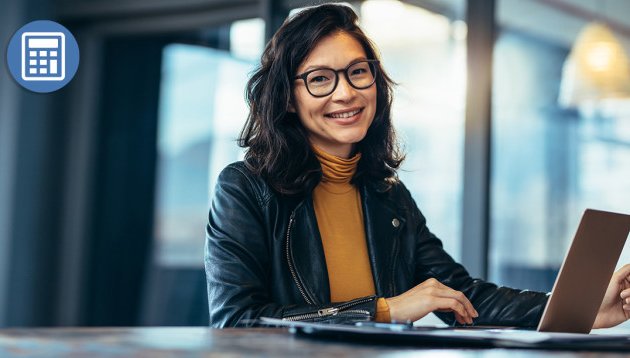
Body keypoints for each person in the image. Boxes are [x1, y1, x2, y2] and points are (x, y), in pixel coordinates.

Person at [205, 3, 630, 328]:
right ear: (286, 97)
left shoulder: (387, 195)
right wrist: (385, 309)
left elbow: (463, 297)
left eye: (358, 72)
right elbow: (237, 320)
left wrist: (585, 307)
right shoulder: (244, 188)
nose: (346, 93)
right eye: (319, 78)